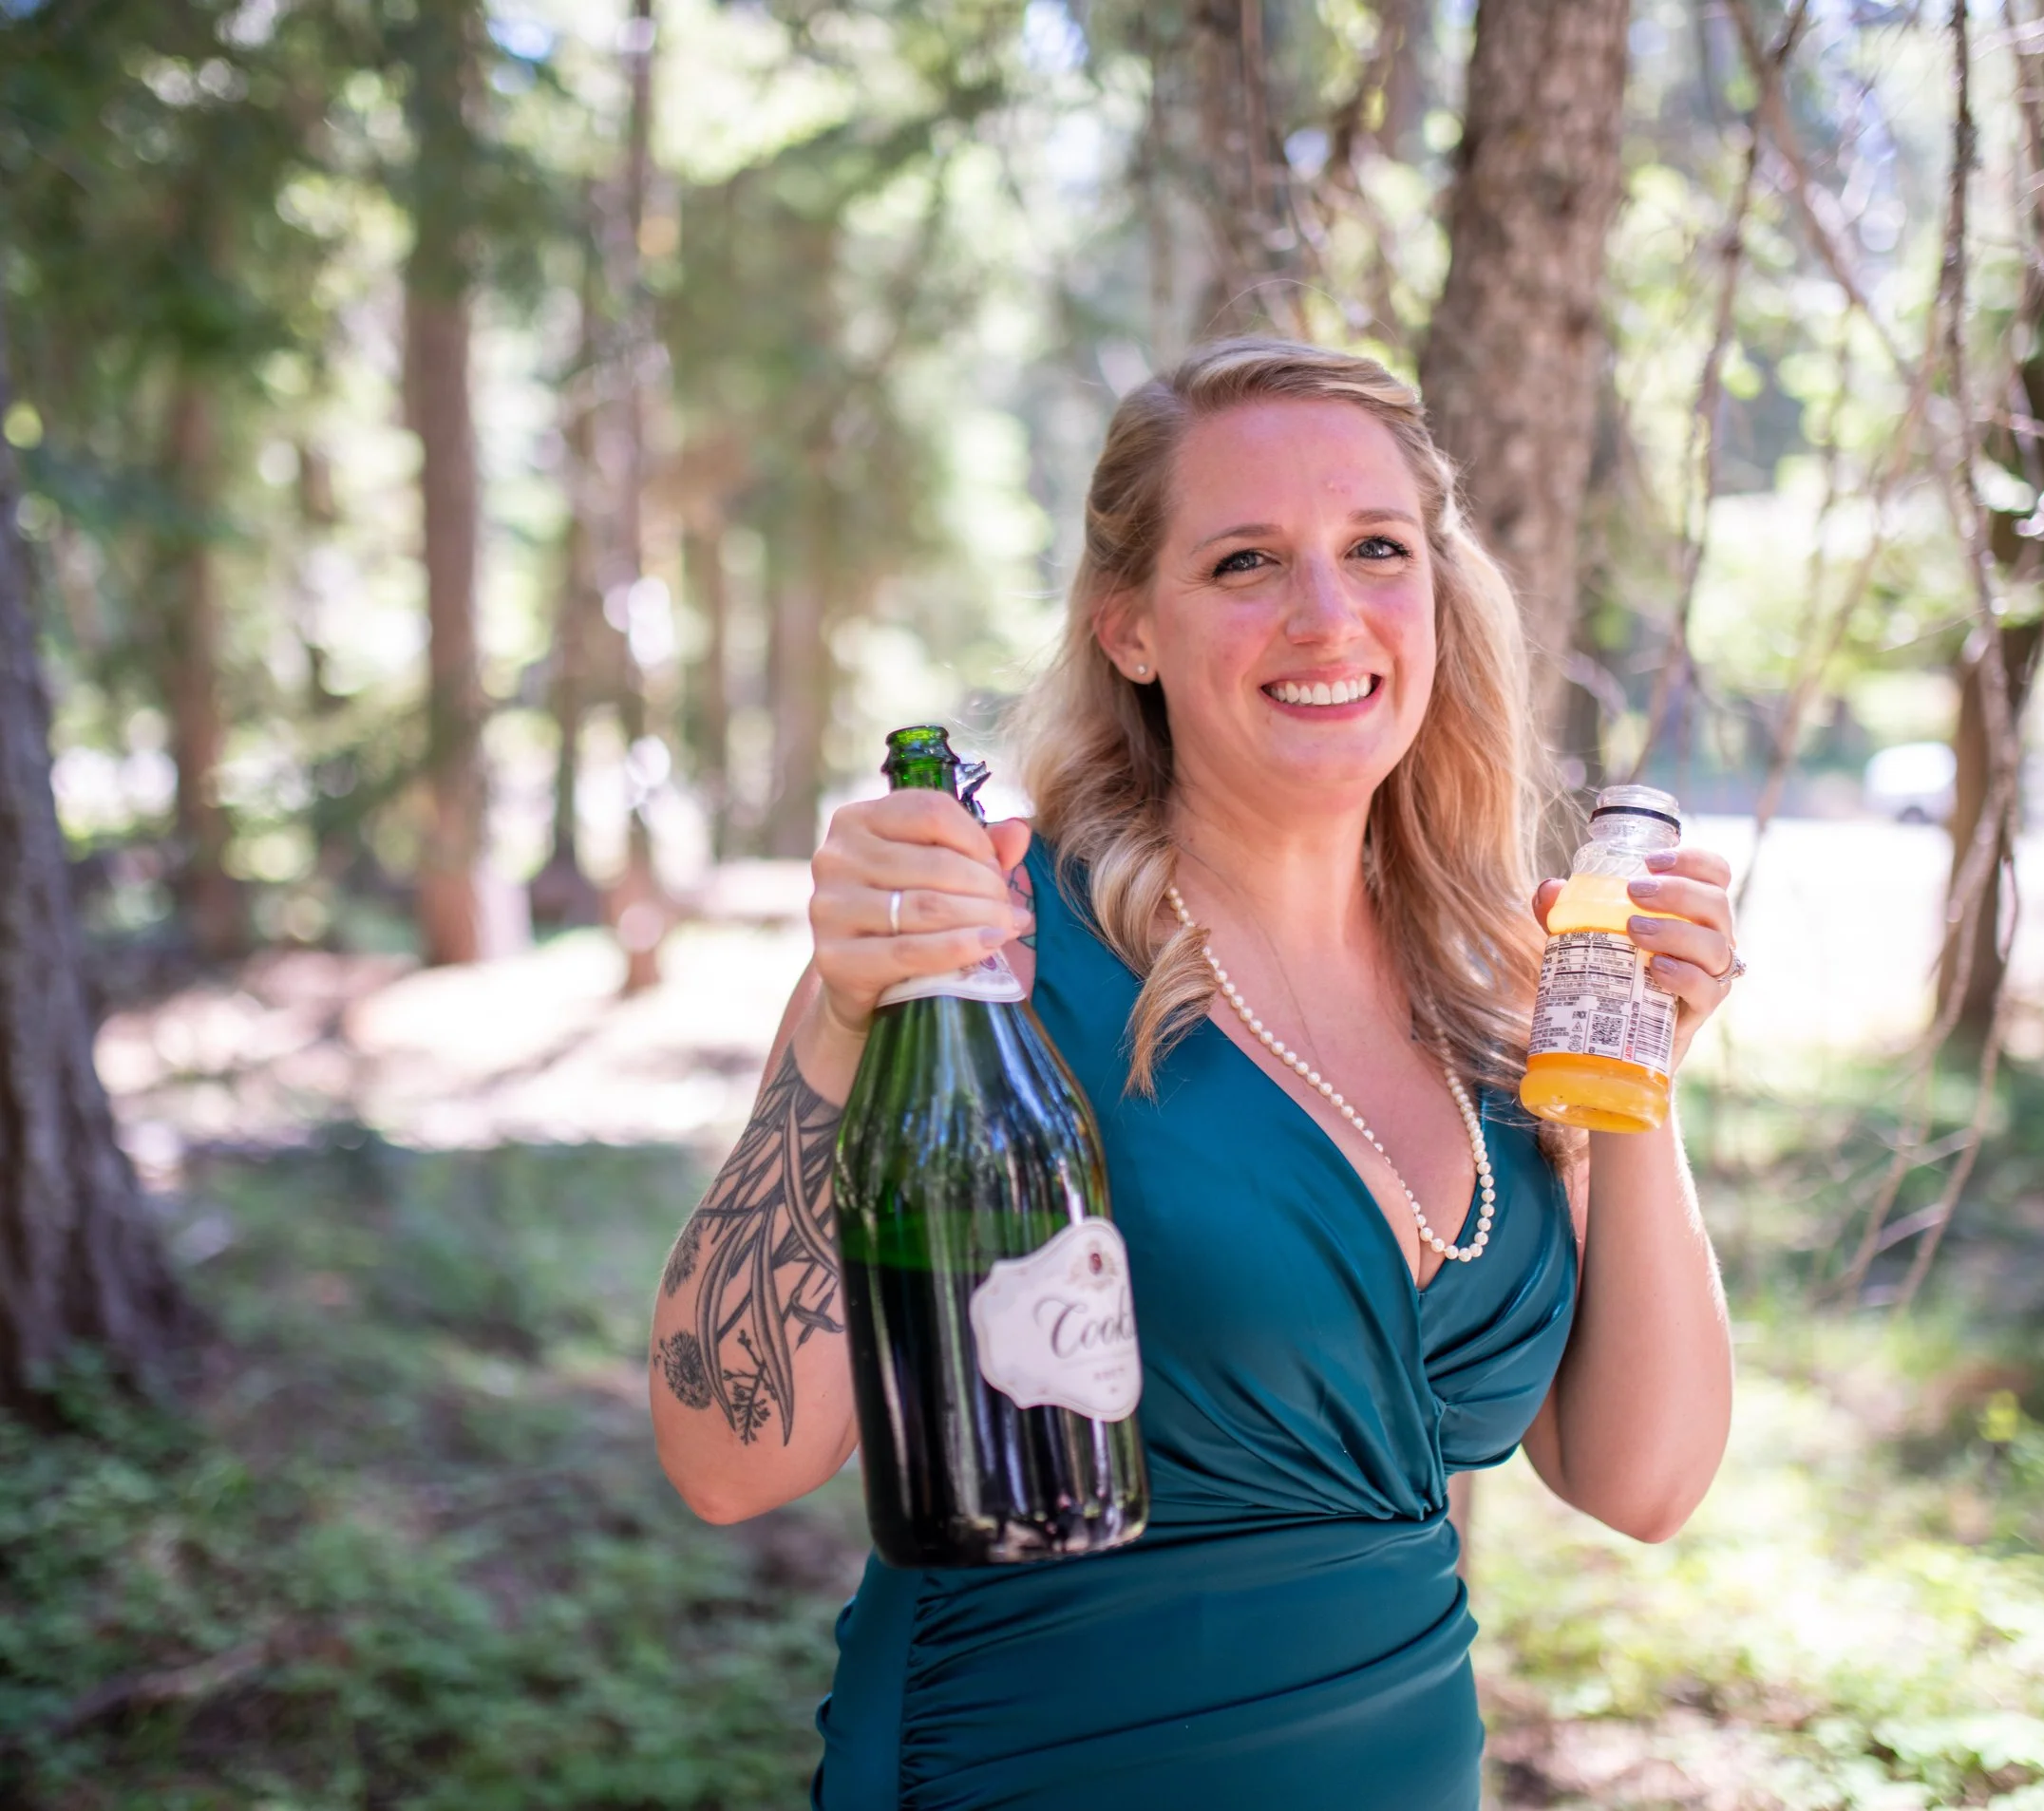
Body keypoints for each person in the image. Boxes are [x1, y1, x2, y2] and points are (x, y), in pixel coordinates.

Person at [648, 339, 1738, 1810]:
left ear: (1436, 592)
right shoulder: (987, 946)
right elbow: (729, 1457)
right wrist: (846, 1024)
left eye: (1376, 549)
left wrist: (1635, 1070)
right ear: (1130, 629)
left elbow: (1643, 1478)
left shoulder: (1505, 989)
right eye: (1244, 561)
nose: (1327, 613)